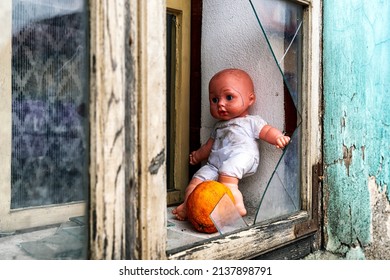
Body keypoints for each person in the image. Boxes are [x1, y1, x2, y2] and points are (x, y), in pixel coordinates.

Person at [172, 68, 290, 221]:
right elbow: (210, 146)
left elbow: (266, 131)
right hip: (215, 164)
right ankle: (189, 206)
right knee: (197, 181)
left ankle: (236, 204)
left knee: (227, 173)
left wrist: (278, 137)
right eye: (214, 100)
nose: (220, 104)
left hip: (242, 156)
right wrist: (198, 155)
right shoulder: (218, 126)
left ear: (250, 99)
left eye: (229, 97)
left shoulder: (251, 121)